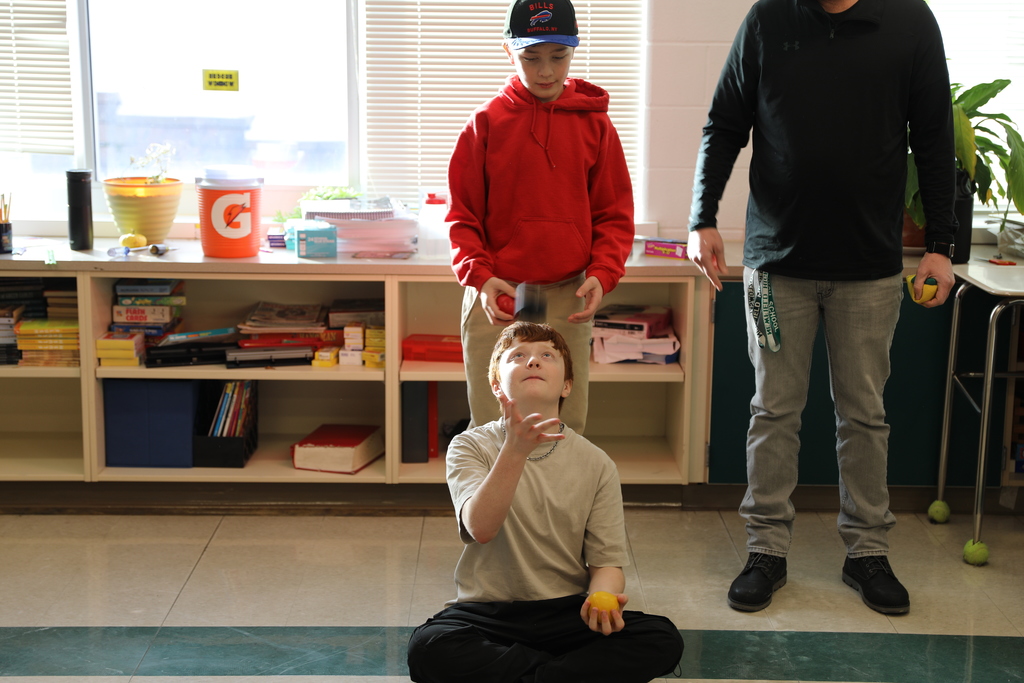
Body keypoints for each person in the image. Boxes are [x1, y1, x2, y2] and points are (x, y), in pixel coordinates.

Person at [687, 0, 958, 616]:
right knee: (773, 411)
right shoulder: (768, 19)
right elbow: (724, 122)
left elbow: (937, 136)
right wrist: (702, 217)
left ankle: (866, 552)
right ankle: (765, 551)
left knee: (864, 414)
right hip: (774, 263)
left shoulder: (910, 21)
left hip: (870, 265)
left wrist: (941, 245)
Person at [407, 321, 683, 683]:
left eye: (547, 355)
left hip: (567, 612)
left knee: (661, 639)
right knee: (428, 647)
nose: (533, 361)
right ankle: (559, 675)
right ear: (495, 384)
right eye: (518, 355)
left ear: (567, 384)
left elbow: (607, 564)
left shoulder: (596, 462)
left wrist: (602, 598)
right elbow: (481, 528)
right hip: (488, 612)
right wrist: (515, 451)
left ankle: (525, 673)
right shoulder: (469, 446)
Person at [447, 0, 635, 435]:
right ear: (508, 51)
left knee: (565, 429)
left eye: (559, 57)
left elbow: (614, 214)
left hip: (569, 295)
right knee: (493, 429)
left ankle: (561, 508)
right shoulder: (485, 123)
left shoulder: (596, 126)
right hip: (497, 296)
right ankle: (492, 507)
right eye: (531, 57)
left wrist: (604, 272)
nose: (546, 71)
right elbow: (463, 216)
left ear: (573, 52)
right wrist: (478, 277)